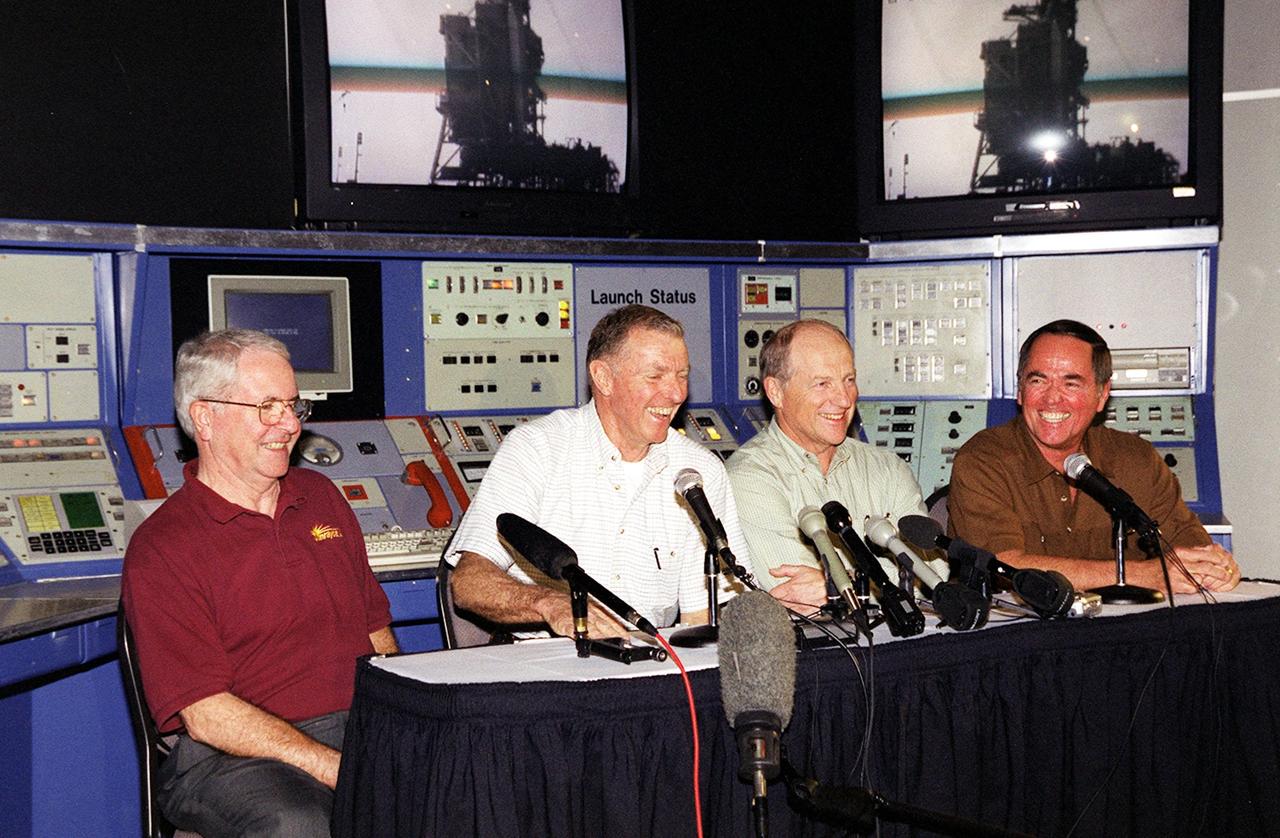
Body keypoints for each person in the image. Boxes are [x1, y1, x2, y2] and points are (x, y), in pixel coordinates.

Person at [121, 329, 397, 837]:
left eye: (293, 405)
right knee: (300, 824)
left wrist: (407, 730)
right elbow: (206, 714)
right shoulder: (164, 546)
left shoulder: (321, 499)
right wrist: (334, 765)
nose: (289, 425)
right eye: (267, 407)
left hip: (353, 728)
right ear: (205, 417)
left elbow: (377, 635)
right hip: (230, 755)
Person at [447, 304, 747, 636]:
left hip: (653, 667)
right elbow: (469, 583)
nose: (676, 393)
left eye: (682, 375)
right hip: (551, 671)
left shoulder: (699, 472)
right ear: (603, 378)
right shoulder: (536, 449)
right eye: (655, 376)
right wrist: (549, 603)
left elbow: (701, 620)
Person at [948, 319, 1239, 594]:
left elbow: (1192, 550)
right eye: (1038, 381)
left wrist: (1216, 569)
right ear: (1020, 390)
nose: (1052, 398)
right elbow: (1003, 566)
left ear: (1102, 394)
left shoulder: (1137, 459)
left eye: (1071, 383)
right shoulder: (983, 460)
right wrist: (1142, 576)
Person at [727, 319, 944, 612]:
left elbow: (933, 571)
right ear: (776, 392)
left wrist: (842, 584)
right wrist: (887, 582)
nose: (843, 399)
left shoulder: (887, 469)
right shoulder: (750, 478)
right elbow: (798, 596)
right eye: (822, 383)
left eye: (849, 380)